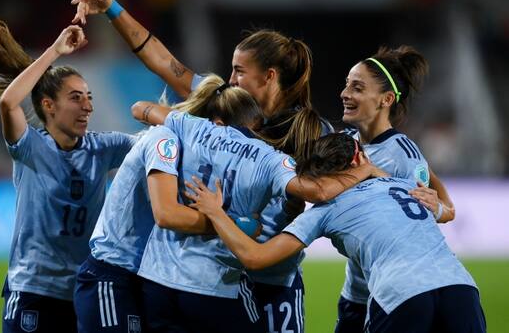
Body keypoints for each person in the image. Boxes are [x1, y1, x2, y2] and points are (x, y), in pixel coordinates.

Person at [71, 0, 332, 331]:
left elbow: (325, 186)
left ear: (268, 76)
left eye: (239, 71)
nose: (232, 79)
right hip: (222, 273)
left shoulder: (308, 130)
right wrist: (113, 8)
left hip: (272, 275)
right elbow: (164, 62)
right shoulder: (224, 104)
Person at [130, 75, 385, 332]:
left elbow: (140, 108)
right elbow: (319, 192)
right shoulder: (269, 159)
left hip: (157, 281)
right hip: (212, 284)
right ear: (258, 124)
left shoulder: (192, 127)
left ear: (218, 118)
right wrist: (364, 170)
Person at [186, 133, 486, 333]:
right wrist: (439, 197)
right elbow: (445, 207)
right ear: (358, 159)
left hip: (402, 294)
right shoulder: (403, 185)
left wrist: (214, 211)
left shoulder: (325, 209)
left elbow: (255, 257)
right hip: (460, 288)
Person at [0, 17, 136, 333]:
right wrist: (55, 51)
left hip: (82, 290)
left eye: (89, 97)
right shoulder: (31, 148)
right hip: (33, 290)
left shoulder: (104, 148)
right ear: (48, 105)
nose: (87, 106)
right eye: (76, 98)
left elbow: (152, 146)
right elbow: (8, 102)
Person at [337, 45, 456, 332]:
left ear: (386, 99)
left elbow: (424, 207)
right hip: (358, 288)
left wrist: (445, 209)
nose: (344, 93)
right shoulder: (344, 142)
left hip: (392, 291)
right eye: (346, 85)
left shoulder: (402, 153)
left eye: (357, 88)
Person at [74, 124, 218, 333]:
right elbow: (166, 215)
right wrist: (224, 224)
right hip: (112, 274)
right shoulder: (164, 139)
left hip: (145, 279)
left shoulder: (190, 150)